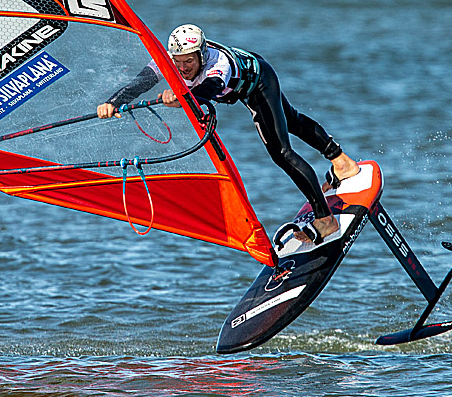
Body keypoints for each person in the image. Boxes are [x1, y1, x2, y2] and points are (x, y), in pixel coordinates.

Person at [97, 24, 360, 243]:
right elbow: (141, 82)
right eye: (178, 62)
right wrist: (114, 102)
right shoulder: (168, 59)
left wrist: (182, 97)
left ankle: (325, 220)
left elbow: (209, 89)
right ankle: (342, 163)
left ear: (201, 53)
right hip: (248, 76)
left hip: (258, 84)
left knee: (281, 152)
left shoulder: (217, 62)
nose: (183, 68)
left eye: (189, 61)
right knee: (291, 119)